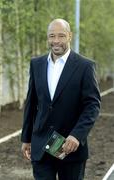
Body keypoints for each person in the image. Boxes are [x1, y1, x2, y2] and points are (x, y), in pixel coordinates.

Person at [21, 18, 101, 180]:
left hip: (69, 147)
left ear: (70, 36)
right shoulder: (36, 64)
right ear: (47, 37)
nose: (56, 41)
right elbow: (32, 102)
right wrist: (26, 138)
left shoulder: (85, 66)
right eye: (52, 36)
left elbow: (92, 105)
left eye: (61, 36)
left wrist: (77, 135)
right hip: (41, 145)